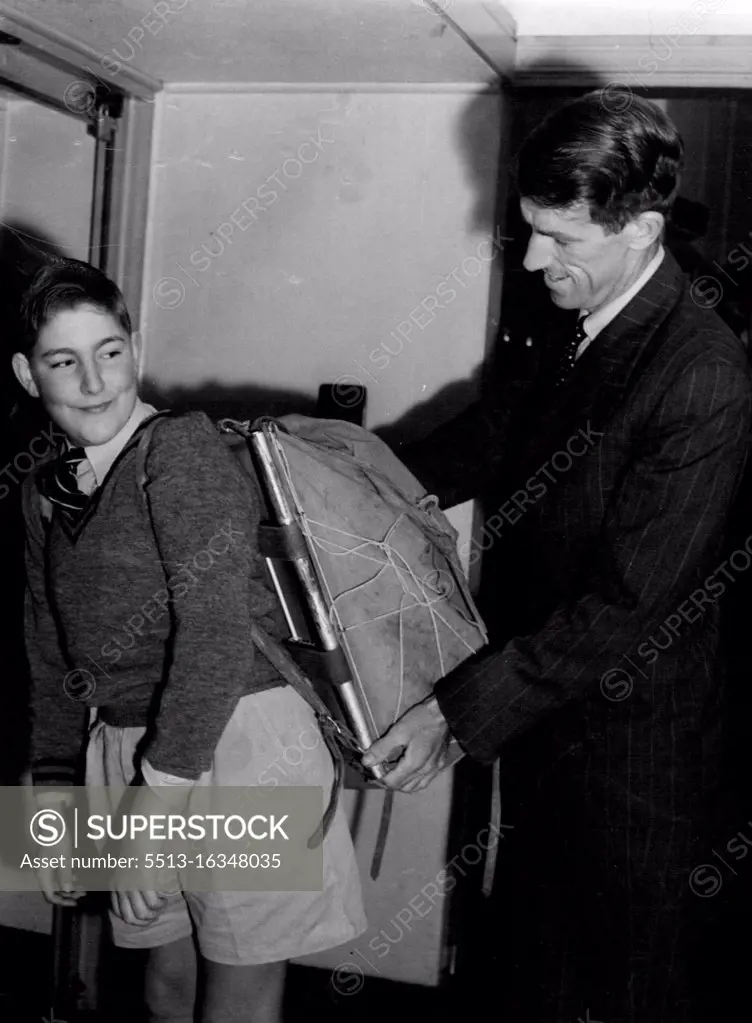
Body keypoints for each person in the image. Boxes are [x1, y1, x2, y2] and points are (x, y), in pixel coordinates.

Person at [357, 92, 752, 1021]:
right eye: (530, 231)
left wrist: (458, 713)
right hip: (541, 706)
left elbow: (626, 604)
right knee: (533, 958)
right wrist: (350, 485)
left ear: (642, 227)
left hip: (633, 751)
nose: (535, 260)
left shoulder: (702, 373)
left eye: (562, 239)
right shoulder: (560, 317)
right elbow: (491, 435)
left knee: (621, 982)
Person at [12, 259, 365, 1023]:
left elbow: (212, 636)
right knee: (163, 988)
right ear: (24, 372)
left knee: (236, 997)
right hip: (129, 746)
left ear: (135, 348)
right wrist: (51, 806)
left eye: (110, 350)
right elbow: (50, 657)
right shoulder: (44, 490)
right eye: (62, 361)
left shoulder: (179, 449)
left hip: (240, 740)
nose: (94, 380)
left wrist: (153, 810)